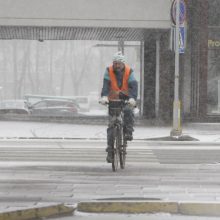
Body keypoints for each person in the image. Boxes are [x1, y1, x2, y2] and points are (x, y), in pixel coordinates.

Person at [100, 51, 138, 163]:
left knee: (128, 111)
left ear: (123, 64)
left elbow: (133, 86)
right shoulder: (109, 71)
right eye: (115, 63)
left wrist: (132, 98)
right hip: (112, 100)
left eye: (119, 63)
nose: (117, 66)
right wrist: (104, 97)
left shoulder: (129, 71)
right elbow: (106, 85)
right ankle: (110, 151)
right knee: (111, 126)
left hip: (126, 99)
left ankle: (128, 132)